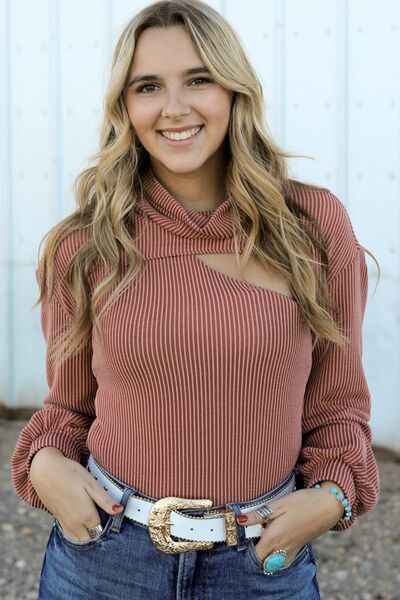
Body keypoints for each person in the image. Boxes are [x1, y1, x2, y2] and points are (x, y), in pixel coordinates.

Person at [11, 1, 380, 598]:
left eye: (199, 79)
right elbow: (69, 408)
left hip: (260, 563)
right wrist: (45, 460)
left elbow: (339, 408)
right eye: (148, 86)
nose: (174, 108)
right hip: (106, 558)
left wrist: (334, 495)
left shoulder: (310, 224)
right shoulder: (85, 243)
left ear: (234, 90)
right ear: (125, 107)